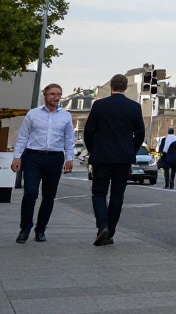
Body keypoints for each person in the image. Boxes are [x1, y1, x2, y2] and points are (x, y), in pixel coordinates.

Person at [83, 74, 146, 245]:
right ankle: (110, 231)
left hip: (101, 156)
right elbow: (140, 133)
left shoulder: (99, 106)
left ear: (111, 86)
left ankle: (102, 224)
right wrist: (131, 149)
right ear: (125, 87)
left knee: (99, 192)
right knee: (118, 194)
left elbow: (89, 131)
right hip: (123, 158)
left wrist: (92, 149)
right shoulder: (134, 107)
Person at [11, 84, 75, 243]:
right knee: (30, 193)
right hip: (33, 157)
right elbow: (23, 137)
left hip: (55, 158)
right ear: (45, 95)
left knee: (49, 196)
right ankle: (25, 228)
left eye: (59, 94)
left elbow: (69, 139)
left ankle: (41, 229)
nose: (56, 97)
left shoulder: (66, 116)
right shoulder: (32, 114)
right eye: (52, 94)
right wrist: (17, 157)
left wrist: (69, 158)